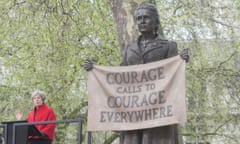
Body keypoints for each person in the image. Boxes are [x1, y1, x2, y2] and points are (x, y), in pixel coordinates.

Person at [84, 2, 189, 144]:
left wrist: (180, 60)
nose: (142, 21)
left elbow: (174, 78)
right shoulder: (130, 48)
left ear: (155, 21)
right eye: (139, 18)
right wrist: (95, 70)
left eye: (146, 17)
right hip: (133, 112)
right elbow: (119, 77)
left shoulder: (168, 46)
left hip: (158, 113)